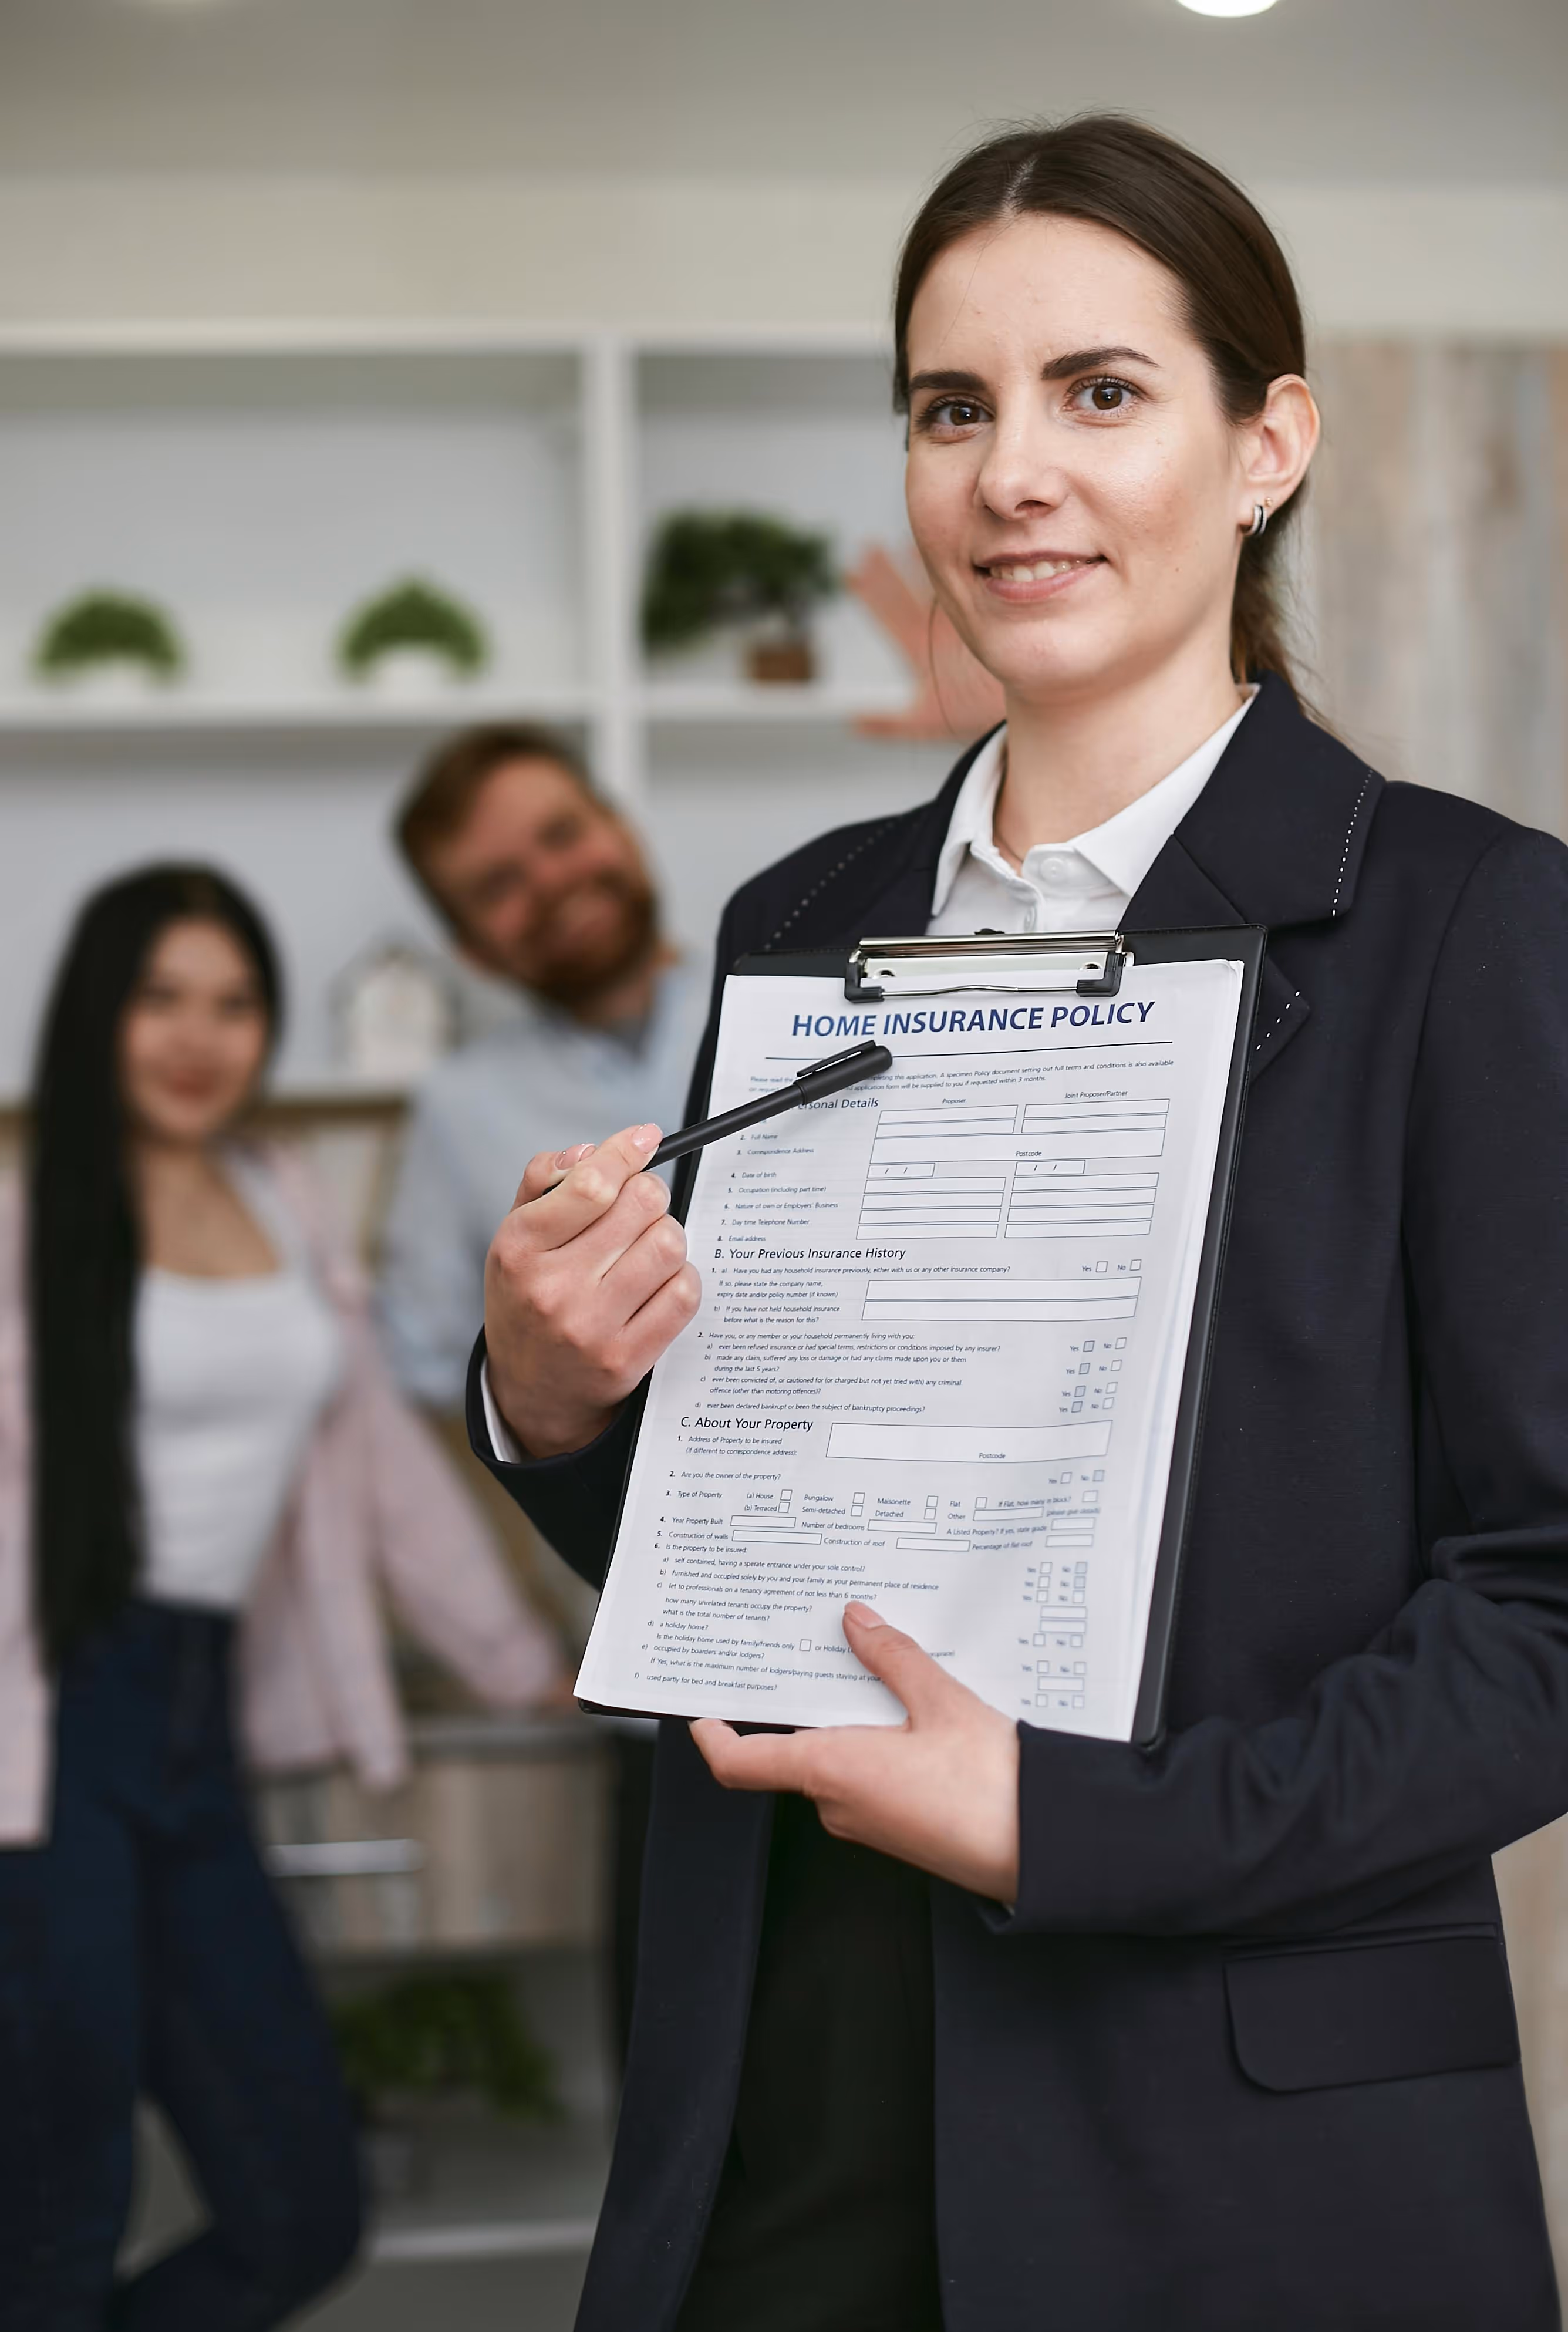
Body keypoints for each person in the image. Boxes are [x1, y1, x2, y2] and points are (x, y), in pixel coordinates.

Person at [469, 115, 1568, 2332]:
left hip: (1237, 2143)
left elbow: (1543, 1616)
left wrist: (1074, 1827)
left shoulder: (1470, 926)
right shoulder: (802, 923)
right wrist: (554, 1398)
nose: (1007, 476)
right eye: (948, 408)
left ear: (1263, 444)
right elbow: (754, 1531)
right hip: (790, 2082)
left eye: (1097, 392)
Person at [0, 864, 562, 2331]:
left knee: (299, 2209)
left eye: (235, 1002)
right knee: (56, 2225)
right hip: (40, 1749)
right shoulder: (20, 1215)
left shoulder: (285, 1191)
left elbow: (378, 1464)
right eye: (159, 997)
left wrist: (520, 1662)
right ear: (95, 1016)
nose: (199, 1035)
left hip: (198, 1736)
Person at [379, 722, 709, 1411]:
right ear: (470, 950)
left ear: (623, 830)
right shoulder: (456, 1107)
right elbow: (425, 1358)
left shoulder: (800, 1014)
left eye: (562, 835)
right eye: (499, 885)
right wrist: (534, 1357)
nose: (554, 881)